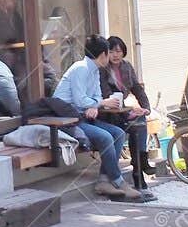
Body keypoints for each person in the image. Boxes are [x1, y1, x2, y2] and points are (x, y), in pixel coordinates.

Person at [52, 37, 154, 203]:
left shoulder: (94, 69)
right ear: (103, 54)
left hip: (83, 115)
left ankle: (104, 181)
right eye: (110, 52)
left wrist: (94, 105)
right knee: (106, 136)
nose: (112, 55)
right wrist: (99, 103)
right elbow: (80, 100)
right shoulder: (81, 68)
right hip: (67, 119)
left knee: (119, 133)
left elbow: (96, 95)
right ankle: (119, 182)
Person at [101, 36, 157, 180]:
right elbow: (108, 96)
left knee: (140, 120)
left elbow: (137, 88)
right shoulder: (102, 70)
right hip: (107, 113)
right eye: (112, 51)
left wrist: (146, 108)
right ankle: (139, 167)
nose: (115, 55)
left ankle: (140, 163)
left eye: (119, 51)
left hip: (122, 111)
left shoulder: (126, 66)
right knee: (135, 125)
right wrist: (131, 110)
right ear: (106, 53)